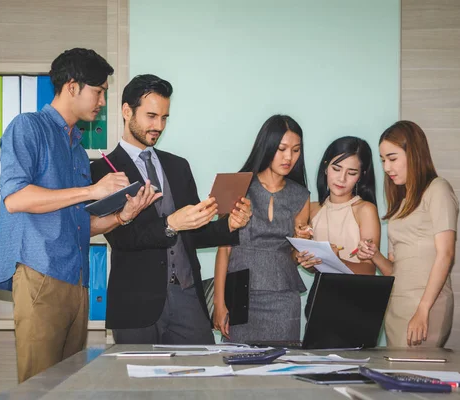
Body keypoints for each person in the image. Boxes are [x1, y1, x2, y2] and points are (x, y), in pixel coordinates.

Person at [0, 48, 159, 382]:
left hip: (77, 280)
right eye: (98, 92)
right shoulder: (28, 127)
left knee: (68, 385)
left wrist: (124, 215)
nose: (102, 102)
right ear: (72, 86)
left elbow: (81, 224)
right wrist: (91, 191)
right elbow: (15, 198)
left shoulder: (77, 149)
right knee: (39, 386)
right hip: (41, 273)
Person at [90, 74, 252, 345]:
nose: (158, 126)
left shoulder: (178, 166)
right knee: (139, 386)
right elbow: (121, 238)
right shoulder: (103, 171)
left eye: (164, 118)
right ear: (126, 111)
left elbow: (193, 234)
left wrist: (229, 225)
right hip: (136, 303)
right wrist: (170, 224)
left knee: (200, 381)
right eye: (151, 116)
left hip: (188, 298)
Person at [357, 120, 459, 347]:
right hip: (397, 305)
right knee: (398, 376)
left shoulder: (438, 189)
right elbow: (394, 269)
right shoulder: (400, 204)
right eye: (383, 160)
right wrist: (374, 255)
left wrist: (423, 310)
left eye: (392, 159)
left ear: (413, 153)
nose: (386, 168)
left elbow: (446, 254)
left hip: (427, 305)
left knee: (417, 375)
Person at [213, 115, 310, 342]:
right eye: (282, 148)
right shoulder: (234, 185)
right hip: (239, 295)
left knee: (282, 369)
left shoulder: (301, 196)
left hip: (284, 299)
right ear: (267, 146)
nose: (289, 157)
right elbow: (224, 249)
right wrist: (219, 302)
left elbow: (293, 256)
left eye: (296, 150)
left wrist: (303, 249)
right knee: (237, 370)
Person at [294, 136, 380, 319]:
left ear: (361, 175)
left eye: (351, 172)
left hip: (356, 302)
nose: (341, 178)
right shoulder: (312, 208)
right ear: (326, 167)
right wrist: (308, 261)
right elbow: (313, 268)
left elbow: (369, 270)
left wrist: (336, 260)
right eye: (336, 168)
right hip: (319, 299)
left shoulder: (365, 210)